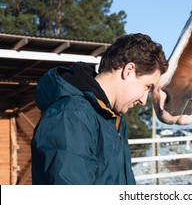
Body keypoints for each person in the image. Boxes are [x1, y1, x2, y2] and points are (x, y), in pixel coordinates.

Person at [31, 33, 168, 185]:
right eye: (147, 87)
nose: (144, 100)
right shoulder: (71, 116)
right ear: (128, 70)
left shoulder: (111, 119)